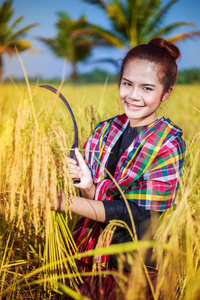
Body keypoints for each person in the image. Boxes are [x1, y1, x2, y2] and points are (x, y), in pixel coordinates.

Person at [56, 38, 186, 299]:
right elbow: (96, 200)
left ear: (166, 93)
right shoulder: (106, 130)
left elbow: (137, 215)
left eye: (147, 88)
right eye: (127, 83)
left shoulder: (168, 143)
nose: (133, 95)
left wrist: (63, 202)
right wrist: (88, 185)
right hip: (92, 257)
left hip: (135, 266)